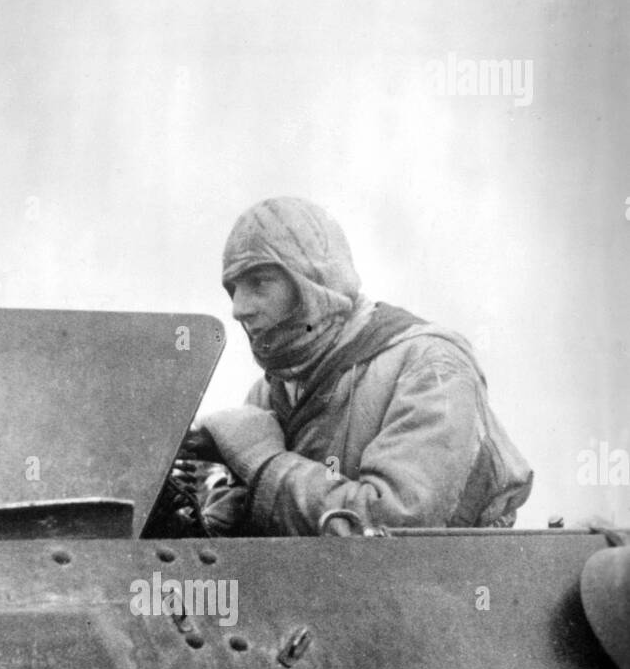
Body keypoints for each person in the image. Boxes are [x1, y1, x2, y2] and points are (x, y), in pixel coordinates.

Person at [189, 196, 533, 536]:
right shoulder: (271, 390)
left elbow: (395, 528)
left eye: (259, 282)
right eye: (233, 289)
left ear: (310, 281)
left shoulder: (430, 366)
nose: (238, 308)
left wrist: (263, 461)